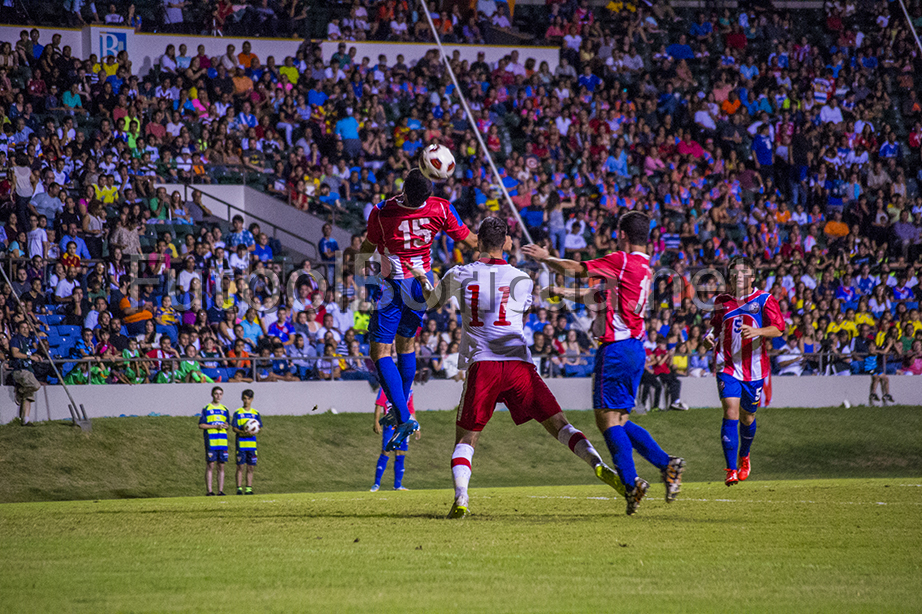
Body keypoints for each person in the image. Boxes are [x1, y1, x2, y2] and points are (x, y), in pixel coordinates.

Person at [439, 217, 624, 519]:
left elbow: (432, 302)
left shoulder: (459, 273)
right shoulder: (522, 279)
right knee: (561, 425)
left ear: (478, 241)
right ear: (507, 242)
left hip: (483, 364)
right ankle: (599, 466)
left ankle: (461, 498)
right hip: (518, 365)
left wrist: (423, 281)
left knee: (466, 439)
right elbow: (518, 313)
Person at [523, 211, 685, 515]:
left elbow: (575, 268)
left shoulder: (621, 260)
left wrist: (546, 257)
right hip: (635, 349)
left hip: (615, 349)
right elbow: (595, 295)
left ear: (622, 234)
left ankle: (631, 484)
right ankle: (667, 465)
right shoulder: (644, 269)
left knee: (606, 421)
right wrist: (561, 292)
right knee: (620, 420)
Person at [360, 168, 478, 451]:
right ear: (429, 193)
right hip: (422, 283)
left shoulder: (382, 211)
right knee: (406, 344)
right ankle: (401, 407)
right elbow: (470, 240)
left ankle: (403, 416)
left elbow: (367, 245)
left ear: (402, 189)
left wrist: (359, 262)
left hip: (395, 284)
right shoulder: (441, 209)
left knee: (380, 352)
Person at [703, 256, 783, 486]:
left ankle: (744, 457)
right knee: (731, 412)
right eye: (734, 273)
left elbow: (778, 329)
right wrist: (708, 339)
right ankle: (730, 469)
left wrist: (758, 332)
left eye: (743, 272)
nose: (738, 276)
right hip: (727, 365)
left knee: (748, 417)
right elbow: (716, 329)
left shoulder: (765, 299)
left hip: (754, 369)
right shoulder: (722, 301)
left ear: (753, 276)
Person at [371, 389, 419, 492]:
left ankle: (398, 485)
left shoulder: (409, 390)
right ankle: (376, 484)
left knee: (400, 452)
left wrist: (416, 426)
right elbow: (379, 404)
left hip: (404, 424)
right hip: (390, 425)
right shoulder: (386, 386)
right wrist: (376, 422)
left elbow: (411, 409)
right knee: (386, 451)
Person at [198, 386, 230, 496]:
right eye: (216, 393)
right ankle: (209, 491)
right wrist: (215, 426)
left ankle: (220, 490)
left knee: (221, 466)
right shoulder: (207, 408)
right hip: (211, 441)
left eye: (220, 394)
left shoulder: (224, 409)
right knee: (210, 465)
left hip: (222, 442)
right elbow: (201, 425)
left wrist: (225, 426)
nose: (218, 396)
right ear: (212, 394)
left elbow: (227, 425)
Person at [10, 320, 43, 426]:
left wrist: (36, 356)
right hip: (20, 370)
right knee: (36, 385)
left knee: (28, 396)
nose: (25, 329)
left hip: (29, 369)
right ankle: (20, 390)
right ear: (18, 329)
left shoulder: (28, 341)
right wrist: (30, 357)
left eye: (27, 327)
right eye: (22, 327)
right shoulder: (16, 340)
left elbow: (33, 349)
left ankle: (25, 420)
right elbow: (15, 353)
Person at [231, 389, 262, 495]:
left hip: (252, 445)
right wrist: (242, 432)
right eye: (244, 398)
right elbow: (234, 428)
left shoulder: (255, 413)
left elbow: (260, 427)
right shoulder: (238, 412)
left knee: (251, 467)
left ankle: (249, 488)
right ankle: (239, 488)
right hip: (241, 444)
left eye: (248, 399)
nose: (246, 401)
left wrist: (254, 431)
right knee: (240, 466)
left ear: (252, 399)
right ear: (242, 399)